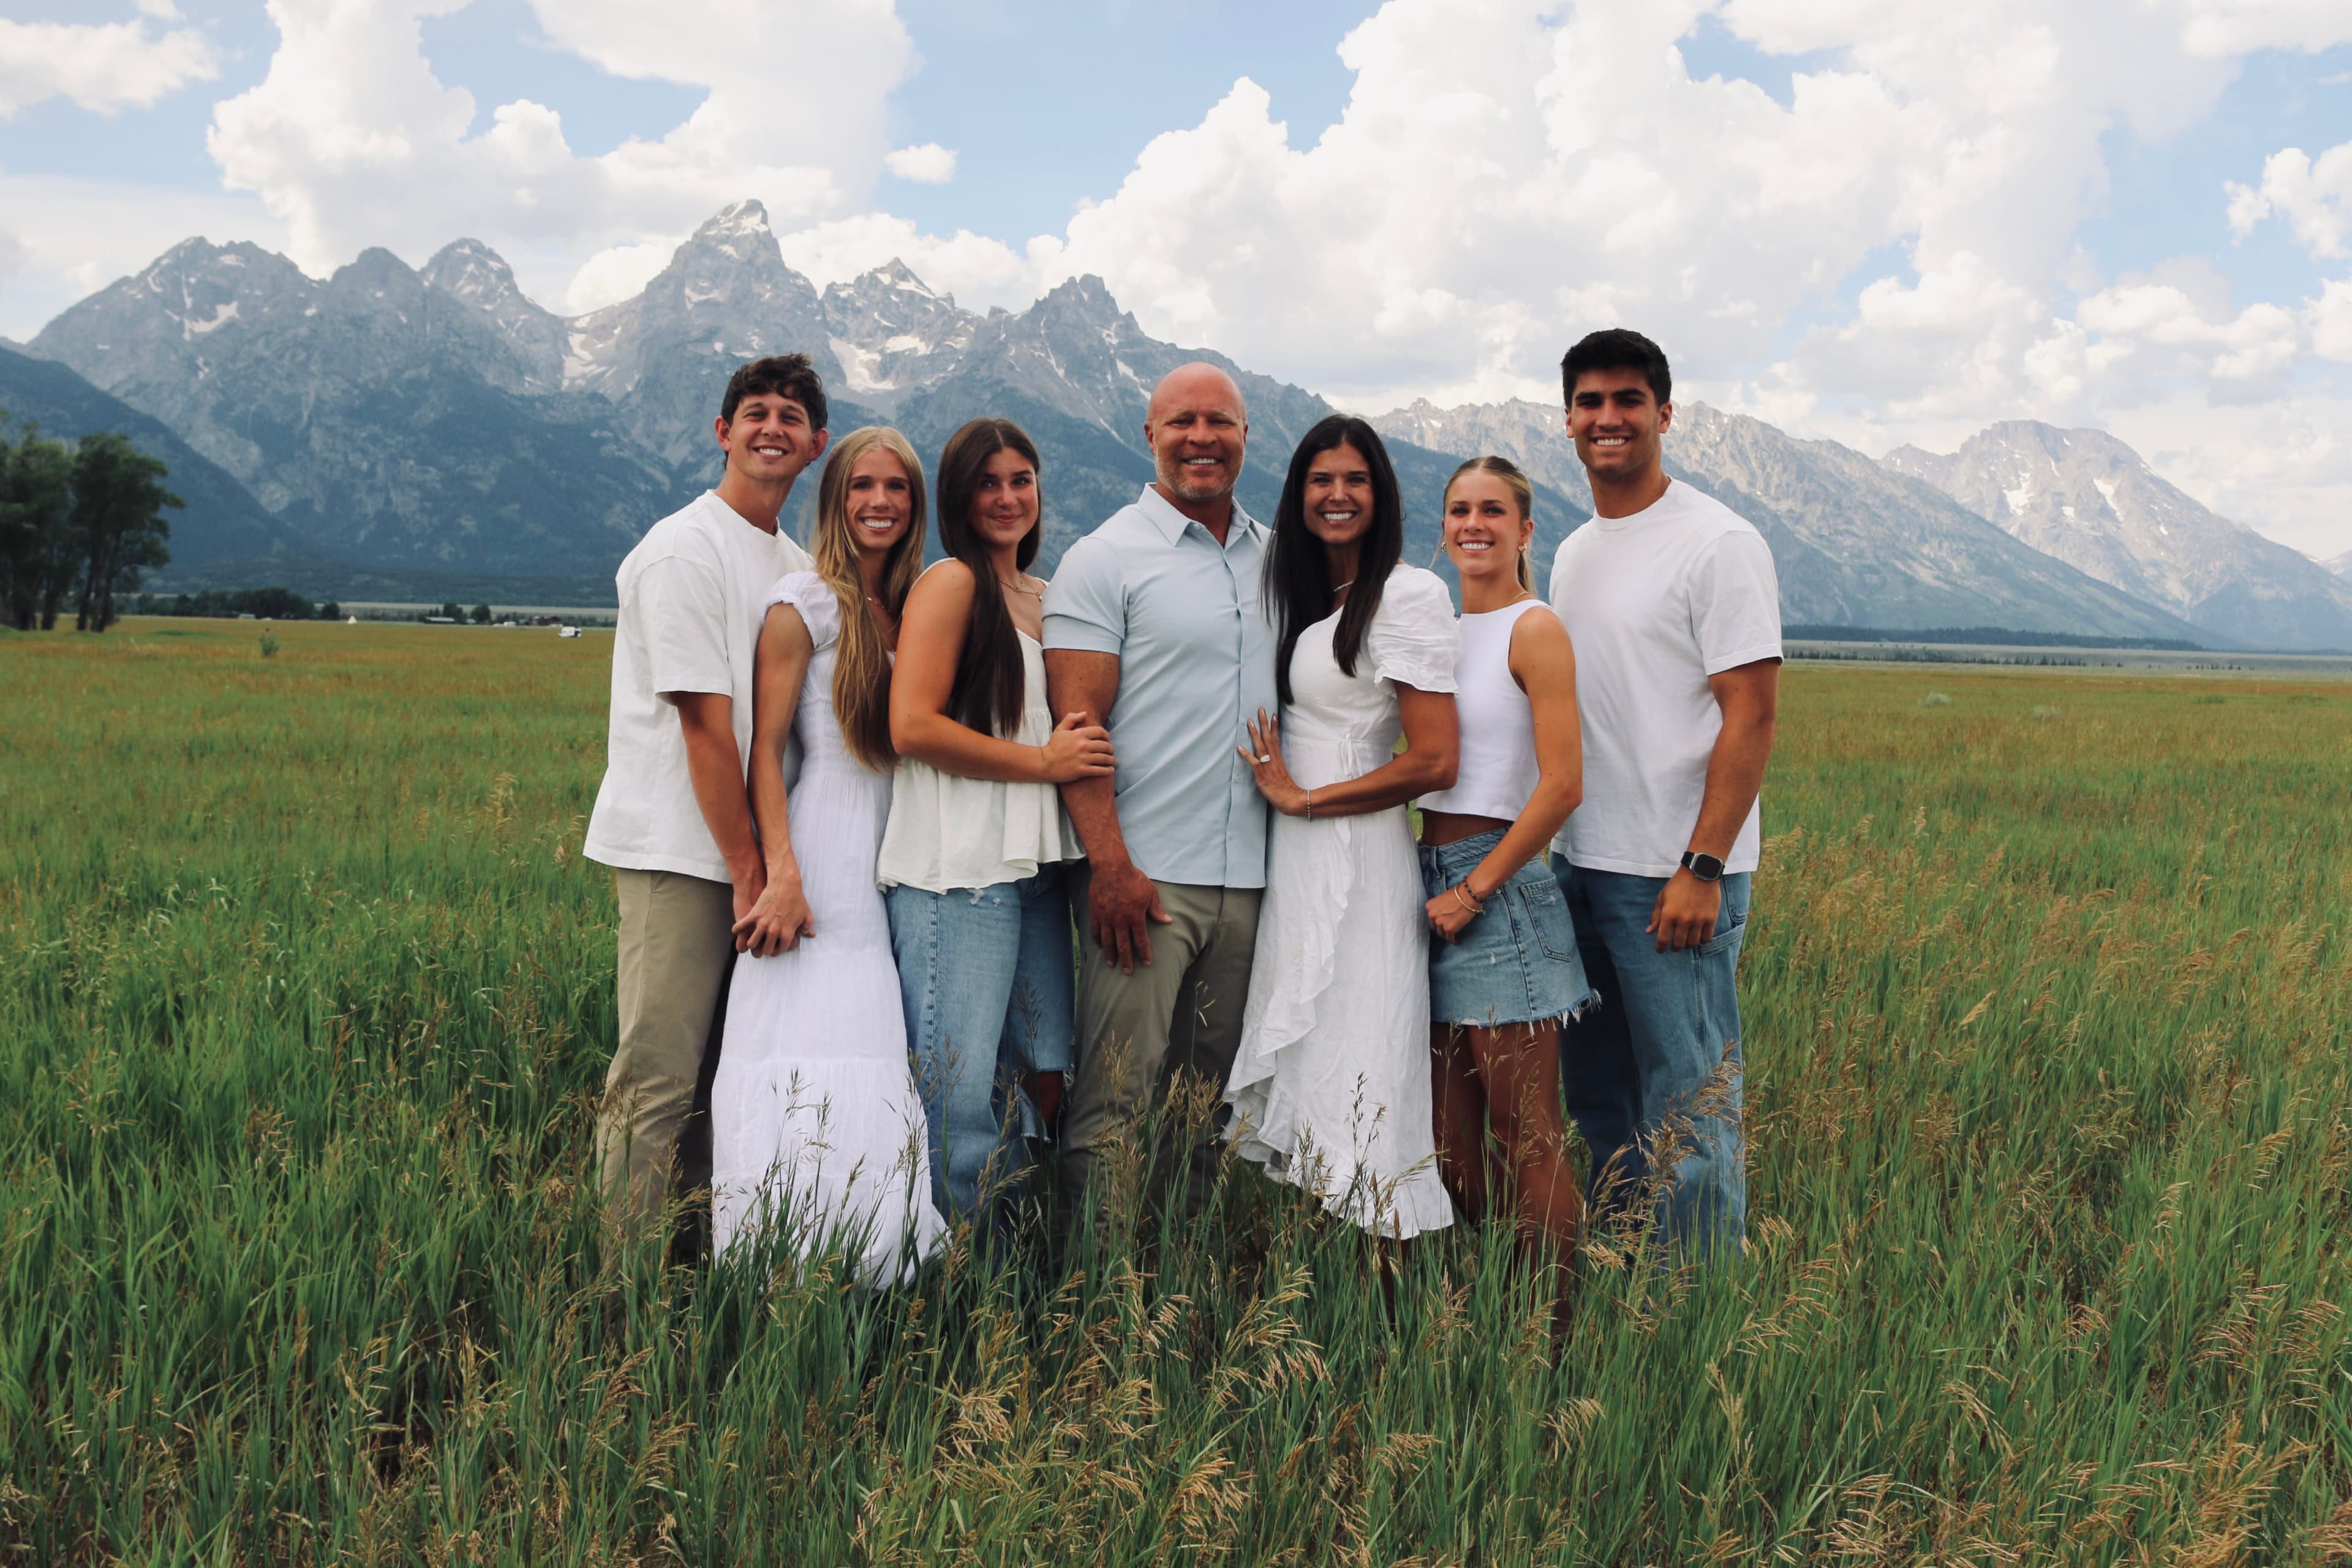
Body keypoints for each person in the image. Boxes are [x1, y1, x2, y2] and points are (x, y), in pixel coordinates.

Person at [1548, 329, 1781, 1256]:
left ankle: (1694, 1305)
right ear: (1568, 419)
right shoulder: (1575, 550)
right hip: (1581, 863)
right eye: (1590, 402)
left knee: (1689, 1105)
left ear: (1666, 414)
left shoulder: (1718, 542)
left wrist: (1704, 865)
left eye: (1628, 401)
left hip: (1672, 876)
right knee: (1601, 1097)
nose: (1608, 418)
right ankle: (1625, 1262)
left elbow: (1751, 715)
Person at [584, 354, 824, 1236]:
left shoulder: (794, 563)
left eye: (791, 417)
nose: (772, 428)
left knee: (723, 1077)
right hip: (682, 853)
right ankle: (623, 1289)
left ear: (816, 445)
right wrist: (751, 872)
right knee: (656, 1077)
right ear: (723, 432)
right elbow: (705, 728)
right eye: (755, 412)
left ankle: (690, 1260)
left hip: (751, 859)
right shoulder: (684, 548)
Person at [710, 426, 946, 1281]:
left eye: (898, 487)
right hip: (825, 845)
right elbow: (766, 753)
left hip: (904, 841)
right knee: (811, 1039)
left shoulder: (918, 605)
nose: (880, 502)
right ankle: (779, 1258)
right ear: (835, 499)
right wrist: (781, 874)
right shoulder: (803, 603)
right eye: (862, 486)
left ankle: (873, 1256)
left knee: (876, 1043)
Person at [1042, 363, 1276, 1220]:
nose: (1201, 438)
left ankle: (1179, 1276)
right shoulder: (1103, 559)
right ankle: (1099, 1289)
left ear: (1246, 436)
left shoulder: (1278, 558)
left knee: (1204, 1107)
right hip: (1144, 878)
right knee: (1116, 1101)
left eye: (1220, 422)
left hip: (1251, 881)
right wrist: (1110, 866)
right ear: (1150, 436)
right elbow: (1078, 731)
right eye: (1181, 422)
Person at [1226, 415, 1461, 1239]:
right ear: (1297, 495)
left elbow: (1435, 759)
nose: (1337, 494)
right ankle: (1325, 1279)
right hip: (1296, 860)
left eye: (1355, 479)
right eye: (1320, 480)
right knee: (1315, 1052)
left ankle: (1390, 1270)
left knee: (1365, 1047)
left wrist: (1307, 800)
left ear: (1381, 493)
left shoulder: (1407, 594)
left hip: (1356, 853)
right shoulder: (1299, 593)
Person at [881, 419, 1108, 1223]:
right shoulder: (952, 583)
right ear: (959, 496)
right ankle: (954, 1269)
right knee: (958, 1089)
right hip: (960, 868)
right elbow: (912, 726)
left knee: (1039, 1073)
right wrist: (1043, 763)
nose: (1008, 497)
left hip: (1034, 872)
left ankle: (1017, 1254)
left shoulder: (1047, 597)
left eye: (1021, 480)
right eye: (988, 482)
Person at [1418, 455, 1595, 1285]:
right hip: (1427, 878)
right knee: (1448, 1142)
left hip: (1496, 889)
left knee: (1526, 1135)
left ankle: (1552, 1327)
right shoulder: (1442, 632)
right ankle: (1500, 1291)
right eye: (1460, 510)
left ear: (1525, 529)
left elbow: (1563, 784)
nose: (1474, 524)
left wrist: (1474, 888)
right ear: (1443, 527)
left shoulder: (1535, 628)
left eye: (1493, 510)